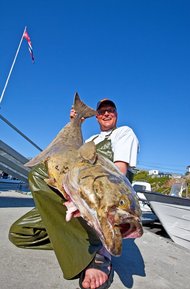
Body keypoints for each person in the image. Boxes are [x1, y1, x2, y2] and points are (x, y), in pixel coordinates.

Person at [9, 98, 139, 289]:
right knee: (20, 233)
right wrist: (76, 120)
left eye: (110, 110)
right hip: (74, 193)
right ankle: (74, 240)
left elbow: (118, 171)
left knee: (38, 174)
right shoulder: (90, 140)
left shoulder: (123, 133)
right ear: (96, 116)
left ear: (116, 114)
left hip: (95, 197)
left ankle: (96, 251)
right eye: (101, 111)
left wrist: (89, 201)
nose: (106, 114)